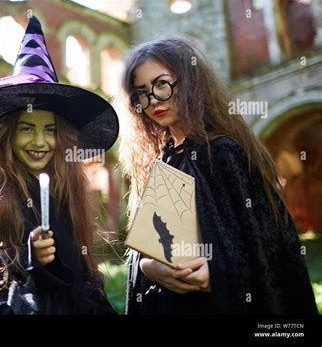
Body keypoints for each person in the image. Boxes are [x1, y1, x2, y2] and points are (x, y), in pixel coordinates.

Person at [0, 16, 119, 314]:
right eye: (26, 128)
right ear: (9, 136)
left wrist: (54, 265)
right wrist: (27, 258)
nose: (39, 141)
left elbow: (74, 277)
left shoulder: (66, 194)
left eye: (49, 130)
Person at [120, 37, 317, 314]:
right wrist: (148, 267)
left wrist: (220, 273)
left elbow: (273, 248)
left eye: (161, 83)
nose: (152, 99)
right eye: (142, 92)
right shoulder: (159, 162)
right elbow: (151, 250)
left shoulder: (224, 153)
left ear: (189, 82)